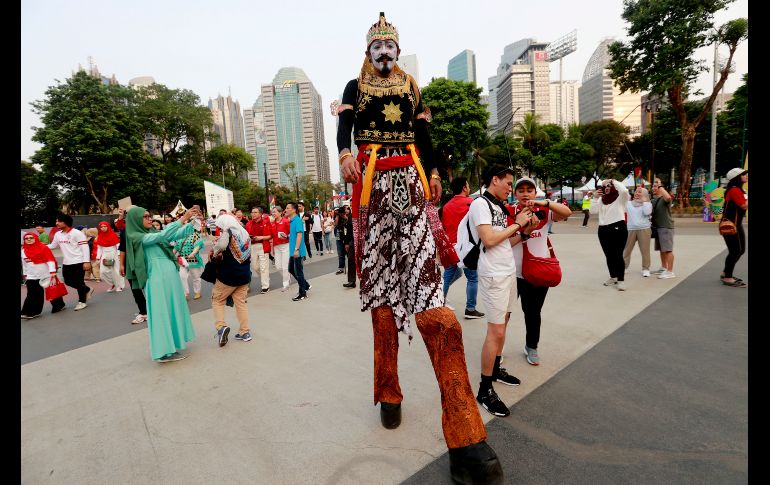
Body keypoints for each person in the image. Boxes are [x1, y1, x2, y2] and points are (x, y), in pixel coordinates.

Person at [336, 13, 503, 483]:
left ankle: (465, 433)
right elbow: (343, 132)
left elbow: (423, 134)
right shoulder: (354, 87)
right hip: (369, 192)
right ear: (368, 50)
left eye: (390, 46)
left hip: (411, 189)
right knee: (383, 300)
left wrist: (432, 173)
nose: (384, 53)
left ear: (397, 48)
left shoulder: (411, 86)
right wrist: (346, 155)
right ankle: (388, 388)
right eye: (377, 47)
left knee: (432, 303)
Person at [469, 166, 533, 417]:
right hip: (493, 274)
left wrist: (524, 232)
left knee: (504, 323)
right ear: (494, 180)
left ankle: (495, 368)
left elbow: (505, 241)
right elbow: (489, 239)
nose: (510, 187)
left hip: (507, 271)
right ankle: (484, 389)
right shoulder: (480, 205)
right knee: (495, 330)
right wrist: (517, 224)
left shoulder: (498, 207)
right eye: (507, 183)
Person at [507, 177, 571, 366]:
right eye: (521, 190)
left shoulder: (545, 210)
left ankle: (531, 346)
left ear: (535, 193)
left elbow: (566, 213)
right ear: (515, 194)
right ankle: (497, 349)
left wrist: (545, 202)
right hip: (512, 271)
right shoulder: (509, 212)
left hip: (537, 272)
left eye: (529, 190)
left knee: (533, 312)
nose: (525, 193)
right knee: (505, 313)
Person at [125, 206, 199, 362]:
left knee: (172, 310)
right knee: (161, 313)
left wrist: (192, 220)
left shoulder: (151, 233)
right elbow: (164, 235)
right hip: (156, 278)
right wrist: (183, 218)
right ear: (136, 219)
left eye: (149, 215)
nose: (149, 218)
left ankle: (171, 346)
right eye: (145, 216)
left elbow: (177, 234)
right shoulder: (135, 236)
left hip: (168, 277)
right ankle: (163, 352)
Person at [440, 177, 484, 319]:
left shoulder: (446, 206)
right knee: (472, 277)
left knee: (449, 275)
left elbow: (444, 227)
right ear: (464, 188)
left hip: (451, 247)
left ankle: (438, 302)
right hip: (467, 247)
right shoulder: (472, 204)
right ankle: (470, 309)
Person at [210, 213, 253, 345]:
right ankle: (245, 332)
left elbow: (222, 246)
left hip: (229, 275)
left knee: (217, 300)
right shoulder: (243, 232)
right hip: (244, 275)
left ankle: (221, 327)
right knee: (240, 303)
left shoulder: (228, 232)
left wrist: (214, 250)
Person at [590, 179, 630, 290]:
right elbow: (592, 211)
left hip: (618, 227)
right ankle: (613, 276)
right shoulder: (601, 199)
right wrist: (595, 197)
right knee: (609, 255)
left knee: (618, 255)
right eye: (604, 186)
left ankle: (621, 280)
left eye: (609, 185)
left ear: (613, 186)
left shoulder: (620, 198)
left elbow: (625, 191)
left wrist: (613, 180)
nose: (606, 187)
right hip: (603, 229)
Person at [48, 214, 93, 311]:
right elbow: (53, 245)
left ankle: (82, 302)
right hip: (67, 262)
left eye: (59, 221)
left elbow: (85, 247)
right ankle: (87, 289)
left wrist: (86, 261)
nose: (57, 223)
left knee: (79, 282)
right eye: (56, 221)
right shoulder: (58, 234)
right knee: (68, 281)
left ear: (66, 222)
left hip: (79, 261)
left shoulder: (77, 233)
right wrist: (40, 246)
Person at [21, 231, 62, 318]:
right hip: (31, 276)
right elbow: (24, 263)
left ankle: (59, 305)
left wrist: (52, 271)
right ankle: (31, 312)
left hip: (45, 274)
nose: (28, 240)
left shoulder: (43, 248)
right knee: (32, 294)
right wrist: (25, 274)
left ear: (35, 238)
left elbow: (50, 260)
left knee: (52, 291)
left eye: (31, 238)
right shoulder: (23, 250)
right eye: (26, 238)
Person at [720, 168, 748, 287]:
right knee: (735, 251)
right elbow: (743, 206)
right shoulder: (735, 190)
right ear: (736, 178)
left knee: (740, 250)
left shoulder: (740, 190)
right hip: (730, 225)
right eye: (743, 174)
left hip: (737, 223)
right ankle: (727, 277)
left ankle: (726, 272)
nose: (746, 175)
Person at [119, 210, 148, 325]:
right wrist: (121, 264)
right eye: (145, 216)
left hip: (146, 263)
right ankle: (144, 312)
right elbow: (123, 248)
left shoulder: (148, 229)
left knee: (150, 287)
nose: (148, 218)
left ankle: (156, 310)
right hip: (131, 264)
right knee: (136, 289)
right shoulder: (125, 231)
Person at [622, 187, 653, 277]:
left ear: (645, 194)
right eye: (636, 192)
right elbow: (624, 194)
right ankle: (624, 267)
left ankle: (646, 268)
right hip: (630, 229)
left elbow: (647, 212)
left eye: (640, 192)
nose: (637, 194)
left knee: (645, 250)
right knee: (627, 250)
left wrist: (645, 202)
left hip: (644, 229)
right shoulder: (628, 203)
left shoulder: (647, 204)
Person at [650, 178, 676, 279]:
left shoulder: (665, 198)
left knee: (668, 249)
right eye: (653, 186)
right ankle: (664, 267)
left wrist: (660, 187)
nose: (653, 188)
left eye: (656, 186)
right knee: (662, 249)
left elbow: (668, 198)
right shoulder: (654, 200)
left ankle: (670, 271)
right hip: (658, 227)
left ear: (662, 188)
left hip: (666, 227)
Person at [175, 216, 205, 299]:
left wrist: (193, 253)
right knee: (182, 277)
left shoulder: (195, 235)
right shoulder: (179, 237)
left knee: (196, 277)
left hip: (193, 260)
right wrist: (171, 255)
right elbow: (176, 248)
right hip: (182, 260)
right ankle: (185, 293)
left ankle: (197, 292)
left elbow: (197, 246)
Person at [286, 202, 310, 301]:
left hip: (297, 251)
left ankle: (302, 293)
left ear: (293, 210)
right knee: (291, 269)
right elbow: (295, 235)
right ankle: (306, 285)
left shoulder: (297, 221)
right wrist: (287, 236)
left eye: (287, 208)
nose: (286, 210)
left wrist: (296, 250)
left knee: (298, 272)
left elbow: (300, 235)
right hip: (293, 251)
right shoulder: (291, 221)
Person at [246, 207, 273, 294]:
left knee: (263, 267)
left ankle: (265, 286)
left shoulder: (265, 222)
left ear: (260, 214)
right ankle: (266, 278)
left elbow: (270, 236)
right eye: (252, 212)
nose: (253, 214)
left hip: (263, 245)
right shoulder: (249, 223)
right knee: (255, 267)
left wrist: (261, 237)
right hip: (253, 246)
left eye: (255, 212)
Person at [95, 221, 124, 292]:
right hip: (105, 255)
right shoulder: (100, 236)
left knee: (116, 271)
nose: (103, 228)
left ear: (108, 226)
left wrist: (118, 255)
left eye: (105, 226)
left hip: (114, 255)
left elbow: (117, 246)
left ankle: (118, 286)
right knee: (103, 272)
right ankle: (112, 283)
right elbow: (100, 248)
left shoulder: (113, 235)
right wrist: (98, 257)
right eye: (101, 227)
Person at [270, 206, 291, 291]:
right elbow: (272, 237)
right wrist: (272, 248)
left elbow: (292, 234)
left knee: (285, 266)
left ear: (280, 212)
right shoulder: (272, 223)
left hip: (285, 245)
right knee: (278, 267)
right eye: (272, 212)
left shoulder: (286, 221)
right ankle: (288, 277)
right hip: (276, 246)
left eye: (275, 212)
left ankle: (285, 284)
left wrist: (287, 236)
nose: (273, 213)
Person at [339, 204, 356, 288]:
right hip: (351, 240)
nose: (347, 210)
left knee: (353, 260)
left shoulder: (352, 216)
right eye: (346, 208)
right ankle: (352, 281)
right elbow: (346, 232)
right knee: (351, 260)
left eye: (348, 208)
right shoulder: (346, 218)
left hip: (355, 239)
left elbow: (349, 231)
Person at [334, 207, 347, 274]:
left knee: (348, 253)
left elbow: (349, 224)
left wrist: (345, 217)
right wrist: (337, 217)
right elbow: (335, 225)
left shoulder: (347, 217)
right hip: (339, 237)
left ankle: (353, 267)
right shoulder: (337, 217)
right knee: (340, 254)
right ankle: (341, 268)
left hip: (346, 237)